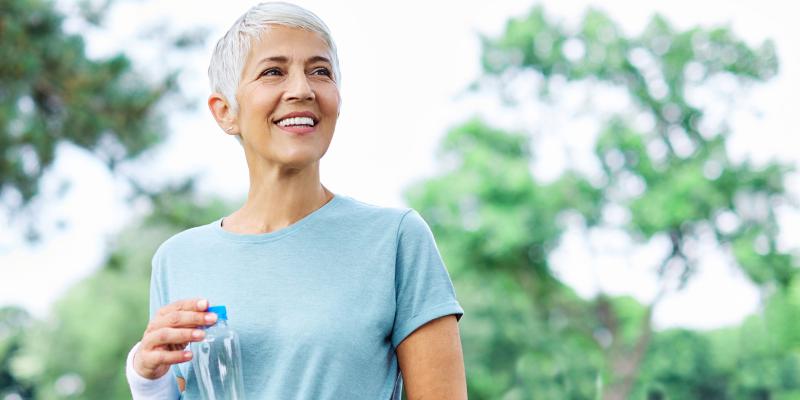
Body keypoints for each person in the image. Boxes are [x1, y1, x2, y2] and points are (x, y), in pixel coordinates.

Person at [124, 2, 466, 399]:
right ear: (225, 111)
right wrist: (148, 381)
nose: (302, 89)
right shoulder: (178, 259)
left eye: (320, 71)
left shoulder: (395, 240)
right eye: (273, 72)